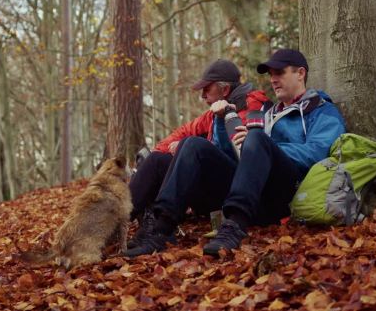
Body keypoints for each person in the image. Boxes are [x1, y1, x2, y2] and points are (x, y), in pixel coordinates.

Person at [126, 49, 346, 257]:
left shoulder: (321, 109)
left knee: (256, 137)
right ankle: (160, 228)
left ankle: (234, 226)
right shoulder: (268, 114)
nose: (273, 79)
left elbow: (319, 151)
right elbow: (228, 156)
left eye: (279, 73)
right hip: (249, 189)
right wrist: (223, 123)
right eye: (271, 74)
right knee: (192, 144)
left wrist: (265, 144)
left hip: (282, 195)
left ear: (301, 74)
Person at [128, 59, 269, 247]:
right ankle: (113, 221)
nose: (202, 95)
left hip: (237, 191)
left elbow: (238, 153)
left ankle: (162, 227)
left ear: (225, 90)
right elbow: (184, 131)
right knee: (155, 160)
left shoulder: (252, 107)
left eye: (206, 89)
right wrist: (159, 151)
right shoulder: (212, 113)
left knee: (192, 145)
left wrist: (185, 148)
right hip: (213, 190)